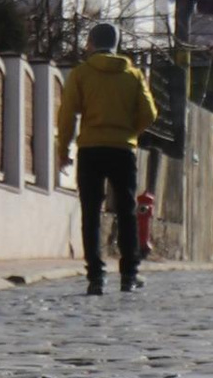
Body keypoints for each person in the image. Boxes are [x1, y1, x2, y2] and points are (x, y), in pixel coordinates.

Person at [55, 19, 160, 295]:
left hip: (90, 149)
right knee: (126, 212)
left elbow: (67, 115)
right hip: (122, 150)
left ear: (91, 44)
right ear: (116, 46)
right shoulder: (133, 75)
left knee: (90, 212)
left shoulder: (81, 74)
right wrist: (129, 131)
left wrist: (63, 150)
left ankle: (96, 277)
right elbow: (150, 113)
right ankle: (129, 275)